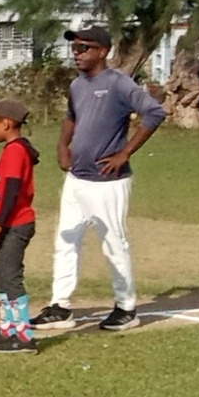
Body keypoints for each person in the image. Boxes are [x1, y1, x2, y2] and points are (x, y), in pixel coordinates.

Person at [35, 25, 166, 333]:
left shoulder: (118, 83)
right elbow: (72, 116)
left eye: (83, 48)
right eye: (74, 48)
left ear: (103, 51)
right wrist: (63, 145)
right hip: (77, 178)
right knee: (66, 241)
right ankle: (60, 306)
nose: (77, 54)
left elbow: (154, 113)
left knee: (113, 243)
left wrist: (125, 153)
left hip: (108, 181)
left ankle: (126, 307)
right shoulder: (77, 85)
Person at [0, 98, 40, 355]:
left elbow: (13, 190)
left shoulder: (16, 151)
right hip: (9, 224)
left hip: (16, 224)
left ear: (7, 123)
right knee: (2, 275)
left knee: (10, 277)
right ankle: (8, 328)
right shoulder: (12, 149)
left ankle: (24, 336)